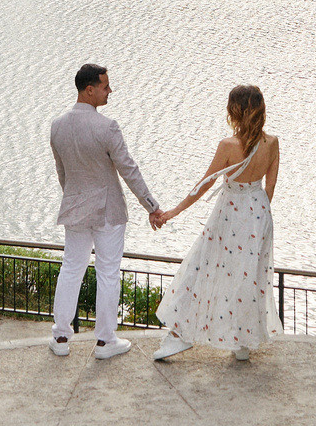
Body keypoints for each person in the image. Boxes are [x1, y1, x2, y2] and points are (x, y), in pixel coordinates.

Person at [149, 85, 279, 363]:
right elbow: (270, 186)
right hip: (259, 213)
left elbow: (205, 184)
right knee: (248, 276)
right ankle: (242, 341)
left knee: (201, 267)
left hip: (231, 213)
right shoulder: (272, 143)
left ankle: (180, 335)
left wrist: (173, 212)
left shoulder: (229, 146)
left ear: (235, 111)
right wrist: (257, 215)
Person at [47, 62, 163, 359]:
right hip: (108, 210)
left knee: (71, 269)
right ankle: (105, 341)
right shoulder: (107, 126)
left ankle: (60, 337)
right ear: (90, 90)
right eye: (105, 86)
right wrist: (151, 206)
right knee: (108, 273)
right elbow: (128, 169)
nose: (110, 91)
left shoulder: (57, 126)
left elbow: (63, 173)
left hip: (75, 207)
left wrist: (75, 197)